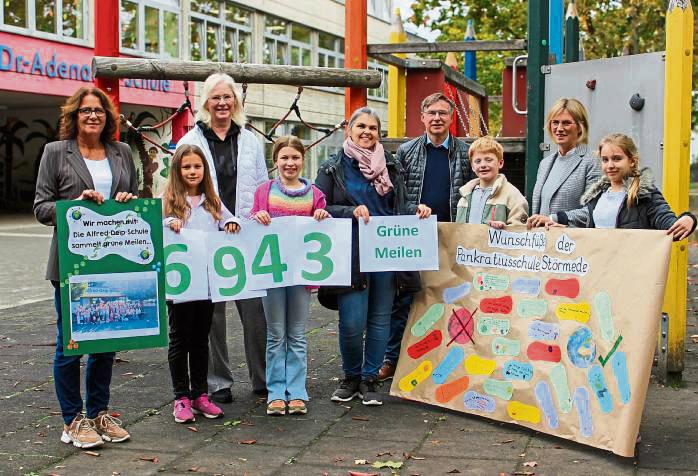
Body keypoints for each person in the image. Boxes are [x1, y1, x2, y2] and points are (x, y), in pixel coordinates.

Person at [34, 86, 136, 449]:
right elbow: (41, 207)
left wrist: (128, 199)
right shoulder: (55, 153)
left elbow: (136, 202)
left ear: (108, 117)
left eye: (99, 111)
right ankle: (72, 419)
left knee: (106, 342)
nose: (93, 116)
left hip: (114, 261)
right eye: (85, 111)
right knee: (71, 343)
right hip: (72, 264)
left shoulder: (122, 152)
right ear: (73, 116)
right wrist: (73, 204)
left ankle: (99, 412)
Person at [315, 107, 431, 406]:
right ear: (349, 131)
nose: (367, 132)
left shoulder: (390, 165)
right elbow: (319, 207)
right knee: (352, 321)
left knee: (381, 319)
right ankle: (350, 376)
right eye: (361, 127)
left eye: (373, 128)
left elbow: (400, 205)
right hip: (350, 254)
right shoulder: (332, 167)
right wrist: (348, 211)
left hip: (385, 253)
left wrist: (416, 211)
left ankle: (369, 379)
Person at [177, 73, 269, 403]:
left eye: (227, 97)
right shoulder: (191, 141)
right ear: (205, 102)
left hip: (245, 235)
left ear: (236, 102)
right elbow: (179, 186)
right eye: (215, 98)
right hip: (206, 236)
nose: (222, 103)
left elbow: (262, 186)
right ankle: (218, 382)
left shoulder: (251, 141)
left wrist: (260, 215)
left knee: (255, 310)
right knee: (211, 315)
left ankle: (262, 377)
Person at [378, 92, 474, 382]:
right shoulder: (406, 152)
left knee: (453, 297)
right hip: (416, 236)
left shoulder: (464, 152)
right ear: (422, 117)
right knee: (406, 298)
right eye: (431, 113)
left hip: (453, 236)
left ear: (451, 117)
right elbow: (398, 195)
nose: (437, 118)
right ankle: (393, 358)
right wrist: (413, 211)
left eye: (443, 113)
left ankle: (450, 358)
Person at [250, 136, 330, 416]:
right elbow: (252, 229)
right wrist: (256, 217)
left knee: (296, 334)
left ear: (302, 160)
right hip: (272, 274)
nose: (290, 163)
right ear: (276, 161)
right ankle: (275, 391)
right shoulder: (264, 191)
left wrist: (323, 216)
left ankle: (296, 391)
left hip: (300, 275)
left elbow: (323, 231)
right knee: (275, 334)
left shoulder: (315, 194)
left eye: (295, 157)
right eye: (284, 157)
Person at [163, 144, 241, 423]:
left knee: (200, 339)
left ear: (204, 170)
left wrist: (231, 224)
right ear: (178, 170)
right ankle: (181, 397)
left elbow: (228, 221)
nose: (192, 171)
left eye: (197, 166)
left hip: (207, 284)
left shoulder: (213, 201)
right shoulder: (169, 200)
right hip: (179, 284)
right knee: (179, 338)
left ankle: (200, 394)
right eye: (187, 167)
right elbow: (156, 229)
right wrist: (169, 223)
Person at [531, 133, 696, 237]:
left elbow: (667, 223)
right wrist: (555, 220)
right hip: (600, 271)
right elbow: (586, 220)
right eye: (605, 160)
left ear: (632, 161)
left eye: (617, 158)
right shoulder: (598, 195)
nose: (610, 165)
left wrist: (689, 219)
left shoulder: (644, 193)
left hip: (629, 274)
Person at [527, 98, 601, 228]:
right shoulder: (545, 164)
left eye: (566, 123)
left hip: (573, 243)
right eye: (555, 122)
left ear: (580, 127)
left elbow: (594, 210)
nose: (559, 128)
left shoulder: (593, 161)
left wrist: (554, 218)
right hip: (543, 243)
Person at [455, 136, 528, 227]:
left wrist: (505, 230)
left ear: (500, 163)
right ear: (472, 167)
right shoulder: (464, 197)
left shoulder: (513, 196)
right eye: (478, 161)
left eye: (488, 160)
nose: (483, 165)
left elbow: (521, 229)